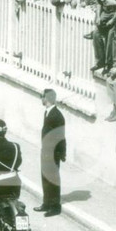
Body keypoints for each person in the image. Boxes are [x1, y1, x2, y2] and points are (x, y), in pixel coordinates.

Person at [37, 89, 66, 217]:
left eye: (42, 96)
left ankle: (55, 207)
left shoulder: (57, 115)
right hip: (46, 151)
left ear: (46, 98)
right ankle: (46, 203)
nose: (41, 99)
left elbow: (61, 136)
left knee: (53, 179)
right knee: (45, 177)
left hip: (53, 152)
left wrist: (61, 154)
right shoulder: (48, 113)